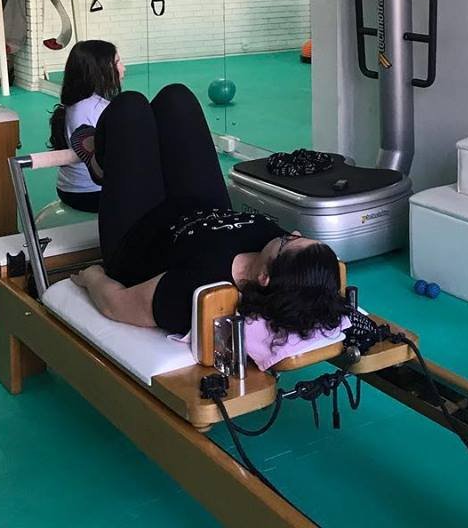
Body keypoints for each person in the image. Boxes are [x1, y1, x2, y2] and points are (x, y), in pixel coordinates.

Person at [70, 83, 350, 342]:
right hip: (203, 208)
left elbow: (116, 305)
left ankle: (97, 162)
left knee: (130, 109)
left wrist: (92, 277)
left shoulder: (200, 291)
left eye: (290, 241)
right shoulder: (290, 265)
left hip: (139, 234)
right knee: (176, 99)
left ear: (264, 277)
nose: (294, 233)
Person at [48, 39, 124, 213]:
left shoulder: (75, 103)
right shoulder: (97, 108)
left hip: (68, 188)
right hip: (91, 193)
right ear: (102, 70)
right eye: (118, 62)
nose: (123, 68)